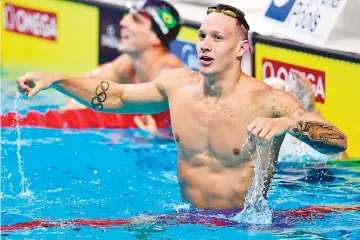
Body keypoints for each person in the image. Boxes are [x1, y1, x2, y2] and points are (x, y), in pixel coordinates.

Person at [17, 4, 347, 210]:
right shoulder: (178, 86)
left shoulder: (266, 101)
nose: (204, 44)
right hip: (187, 219)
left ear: (241, 48)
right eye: (202, 36)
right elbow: (114, 96)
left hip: (247, 226)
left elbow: (338, 142)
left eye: (217, 38)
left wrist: (289, 124)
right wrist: (58, 78)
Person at [63, 0, 183, 132]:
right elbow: (82, 83)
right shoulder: (128, 64)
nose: (123, 22)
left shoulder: (167, 73)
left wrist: (158, 138)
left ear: (155, 37)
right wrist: (77, 102)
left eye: (136, 20)